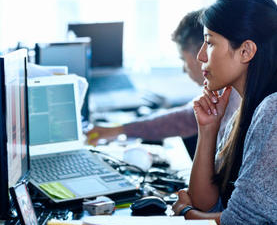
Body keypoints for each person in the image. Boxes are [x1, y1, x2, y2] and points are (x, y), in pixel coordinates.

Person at [172, 0, 277, 225]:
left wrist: (186, 213)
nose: (201, 57)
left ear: (246, 51)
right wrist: (207, 129)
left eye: (209, 42)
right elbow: (208, 203)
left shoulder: (272, 112)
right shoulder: (243, 104)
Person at [86, 10, 240, 154]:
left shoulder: (231, 94)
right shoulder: (224, 92)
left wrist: (117, 130)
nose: (184, 69)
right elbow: (187, 116)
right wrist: (118, 129)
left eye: (183, 59)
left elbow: (184, 120)